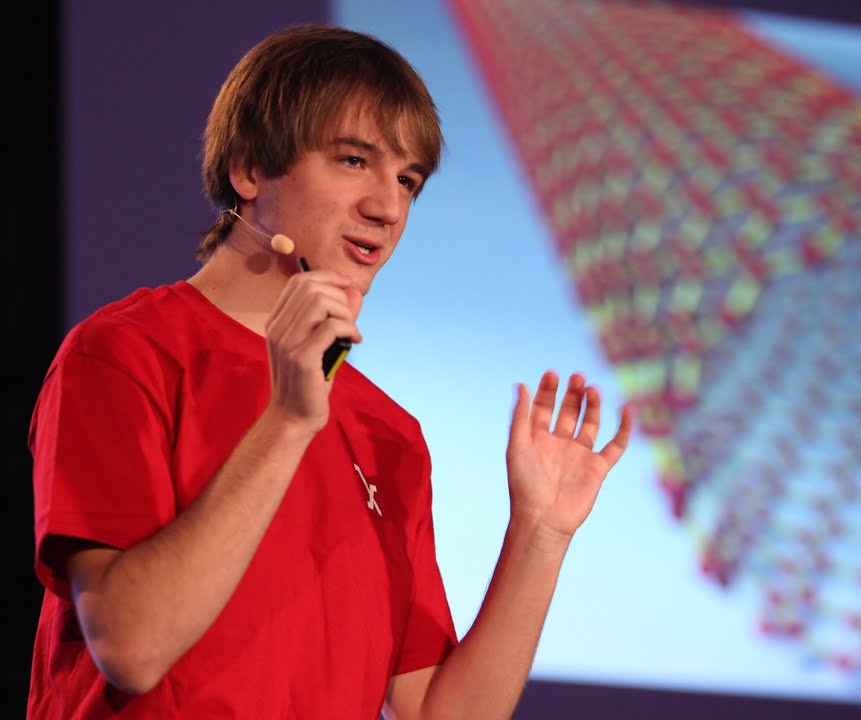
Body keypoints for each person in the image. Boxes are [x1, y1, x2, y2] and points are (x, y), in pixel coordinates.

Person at [27, 24, 631, 718]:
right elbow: (131, 647)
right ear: (250, 168)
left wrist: (539, 535)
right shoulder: (128, 352)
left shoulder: (389, 434)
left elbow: (440, 712)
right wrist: (287, 421)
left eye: (408, 180)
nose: (389, 206)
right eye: (353, 161)